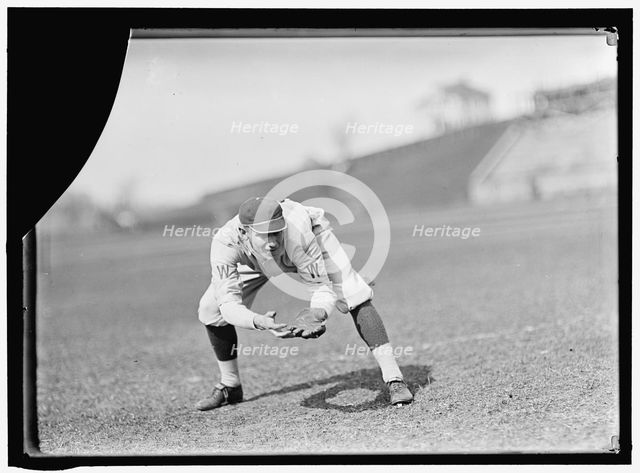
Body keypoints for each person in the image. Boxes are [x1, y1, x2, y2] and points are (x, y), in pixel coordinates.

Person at [196, 197, 413, 410]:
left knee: (353, 293)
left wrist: (316, 313)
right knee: (210, 309)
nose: (272, 240)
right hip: (252, 259)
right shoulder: (225, 243)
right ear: (244, 232)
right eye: (265, 234)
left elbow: (321, 289)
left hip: (307, 244)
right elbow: (228, 307)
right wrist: (258, 321)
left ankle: (394, 379)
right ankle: (231, 385)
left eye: (276, 231)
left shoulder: (297, 234)